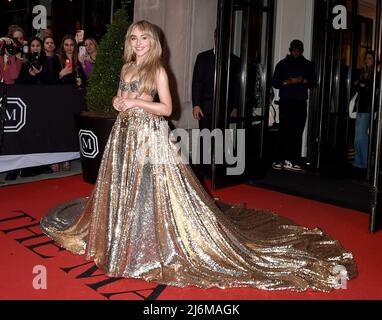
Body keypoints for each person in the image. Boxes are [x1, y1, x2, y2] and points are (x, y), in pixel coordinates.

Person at [40, 20, 357, 292]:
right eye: (134, 38)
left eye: (144, 38)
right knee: (127, 187)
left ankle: (152, 239)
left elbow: (167, 109)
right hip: (125, 135)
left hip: (150, 136)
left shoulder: (158, 70)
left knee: (155, 189)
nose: (138, 43)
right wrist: (119, 100)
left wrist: (136, 103)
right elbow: (121, 96)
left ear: (154, 42)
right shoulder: (126, 66)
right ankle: (126, 234)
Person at [272, 40, 317, 171]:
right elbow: (275, 82)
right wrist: (287, 82)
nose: (296, 52)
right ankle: (280, 160)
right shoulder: (282, 64)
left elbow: (314, 83)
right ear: (290, 49)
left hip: (300, 102)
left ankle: (292, 160)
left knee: (298, 131)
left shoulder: (308, 65)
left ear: (302, 51)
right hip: (286, 101)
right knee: (284, 130)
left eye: (298, 50)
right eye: (294, 50)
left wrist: (302, 80)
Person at [352, 50, 377, 170]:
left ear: (374, 60)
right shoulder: (363, 73)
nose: (367, 61)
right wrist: (361, 85)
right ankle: (359, 162)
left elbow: (368, 90)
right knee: (358, 136)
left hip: (368, 107)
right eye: (366, 58)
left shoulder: (375, 75)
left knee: (361, 136)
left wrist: (361, 85)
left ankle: (364, 163)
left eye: (370, 58)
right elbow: (356, 86)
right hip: (361, 106)